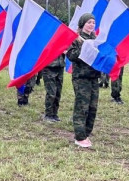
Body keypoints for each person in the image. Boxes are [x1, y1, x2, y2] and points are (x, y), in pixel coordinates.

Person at [66, 13, 100, 148]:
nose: (91, 25)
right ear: (82, 24)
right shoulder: (76, 39)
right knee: (82, 106)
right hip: (81, 77)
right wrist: (83, 47)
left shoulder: (96, 39)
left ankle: (86, 132)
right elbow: (71, 55)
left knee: (93, 107)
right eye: (89, 22)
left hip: (93, 77)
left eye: (93, 22)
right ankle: (79, 136)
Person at [42, 52, 65, 122]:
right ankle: (48, 114)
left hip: (60, 67)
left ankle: (54, 113)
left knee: (58, 92)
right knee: (51, 93)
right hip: (49, 67)